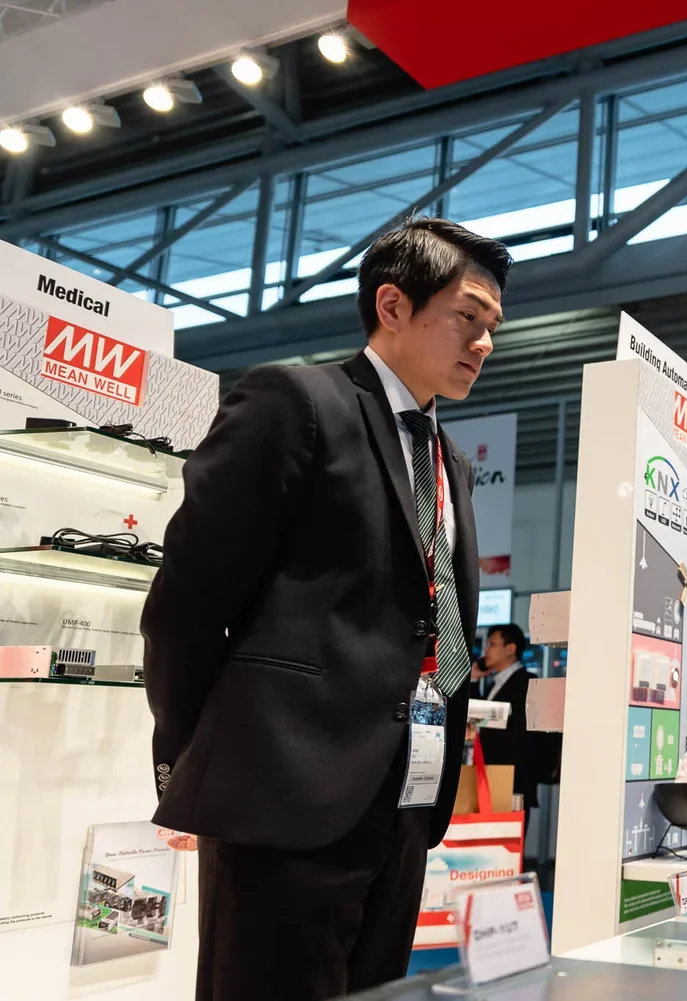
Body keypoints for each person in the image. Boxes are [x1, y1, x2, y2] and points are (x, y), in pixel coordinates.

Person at [141, 217, 509, 1001]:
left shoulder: (451, 463)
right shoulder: (297, 401)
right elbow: (189, 597)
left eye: (492, 328)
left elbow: (436, 621)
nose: (483, 343)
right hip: (284, 792)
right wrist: (192, 750)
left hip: (407, 798)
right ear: (393, 305)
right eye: (467, 318)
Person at [470, 624, 541, 830]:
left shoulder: (527, 683)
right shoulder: (494, 684)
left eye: (492, 644)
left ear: (511, 648)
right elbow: (476, 718)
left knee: (508, 844)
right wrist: (474, 679)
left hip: (512, 780)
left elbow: (522, 738)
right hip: (488, 776)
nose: (486, 651)